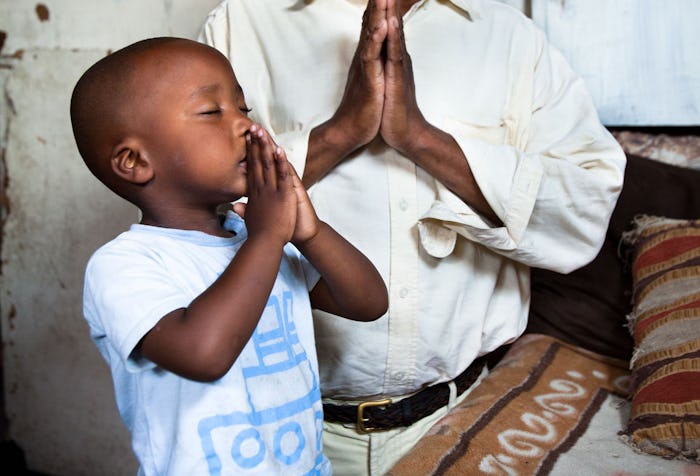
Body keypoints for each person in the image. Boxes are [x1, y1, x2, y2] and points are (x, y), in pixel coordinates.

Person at [200, 0, 627, 473]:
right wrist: (342, 132)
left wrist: (419, 137)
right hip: (278, 428)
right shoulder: (240, 25)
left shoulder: (510, 37)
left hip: (467, 417)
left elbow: (585, 209)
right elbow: (192, 212)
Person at [69, 37, 388, 476]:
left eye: (244, 109)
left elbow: (368, 303)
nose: (246, 127)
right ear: (134, 161)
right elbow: (203, 355)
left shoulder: (251, 235)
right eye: (211, 112)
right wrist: (268, 237)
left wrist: (309, 233)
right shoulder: (124, 265)